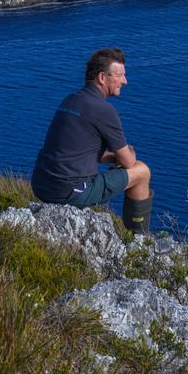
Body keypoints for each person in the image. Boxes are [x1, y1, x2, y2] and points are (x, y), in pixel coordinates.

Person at [31, 48, 153, 234]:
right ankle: (139, 237)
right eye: (120, 76)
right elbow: (128, 162)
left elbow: (75, 150)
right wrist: (128, 153)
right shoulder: (104, 110)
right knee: (142, 171)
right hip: (70, 193)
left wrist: (112, 157)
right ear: (102, 78)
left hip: (41, 186)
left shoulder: (70, 100)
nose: (125, 81)